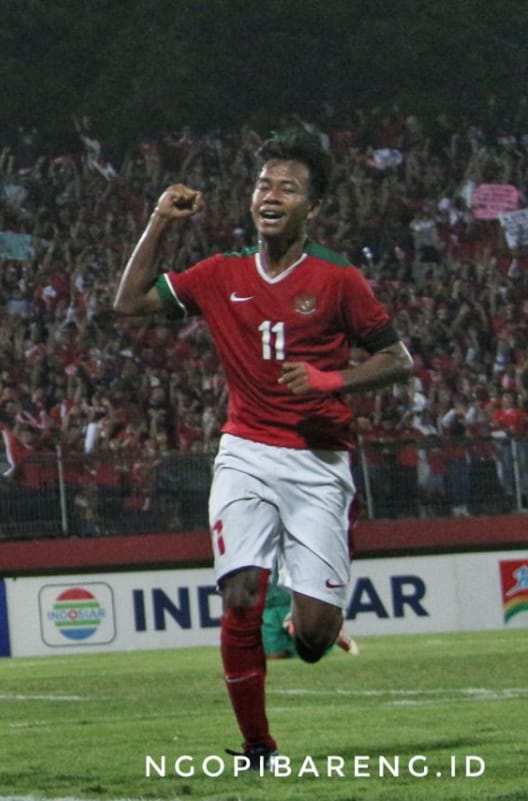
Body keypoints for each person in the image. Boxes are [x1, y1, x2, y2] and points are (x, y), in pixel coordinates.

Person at [112, 129, 413, 767]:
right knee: (243, 592)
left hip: (319, 463)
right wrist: (159, 221)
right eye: (263, 184)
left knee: (311, 637)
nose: (270, 195)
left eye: (288, 187)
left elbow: (397, 359)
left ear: (314, 207)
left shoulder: (338, 279)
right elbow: (130, 303)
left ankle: (309, 627)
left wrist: (332, 379)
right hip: (245, 449)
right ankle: (257, 749)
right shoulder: (220, 273)